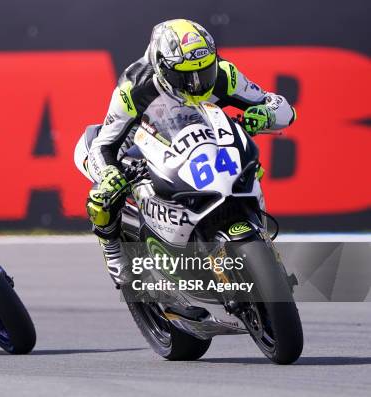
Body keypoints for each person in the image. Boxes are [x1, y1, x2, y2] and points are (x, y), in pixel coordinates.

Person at [73, 19, 297, 286]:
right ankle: (114, 255)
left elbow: (281, 107)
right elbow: (103, 145)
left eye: (204, 71)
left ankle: (256, 239)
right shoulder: (133, 88)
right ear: (162, 67)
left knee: (248, 167)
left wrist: (265, 114)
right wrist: (109, 172)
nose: (197, 83)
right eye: (184, 75)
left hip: (198, 141)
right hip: (139, 147)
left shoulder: (225, 74)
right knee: (103, 194)